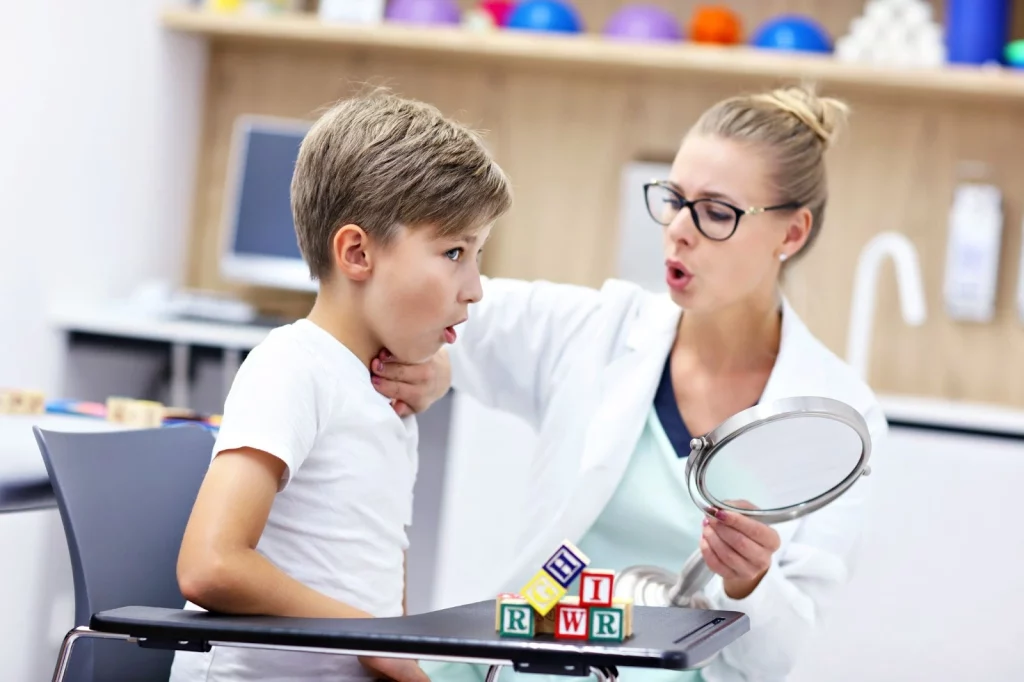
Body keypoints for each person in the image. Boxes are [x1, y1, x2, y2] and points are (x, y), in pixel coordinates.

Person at [370, 84, 889, 682]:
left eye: (716, 212)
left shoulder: (837, 412)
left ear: (791, 234)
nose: (678, 230)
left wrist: (751, 583)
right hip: (520, 659)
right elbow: (421, 299)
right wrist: (435, 357)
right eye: (673, 199)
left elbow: (775, 660)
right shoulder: (601, 329)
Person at [167, 89, 512, 682]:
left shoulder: (385, 394)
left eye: (478, 255)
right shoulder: (293, 367)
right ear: (356, 252)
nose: (475, 287)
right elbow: (210, 564)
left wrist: (390, 651)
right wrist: (374, 640)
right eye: (454, 252)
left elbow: (376, 589)